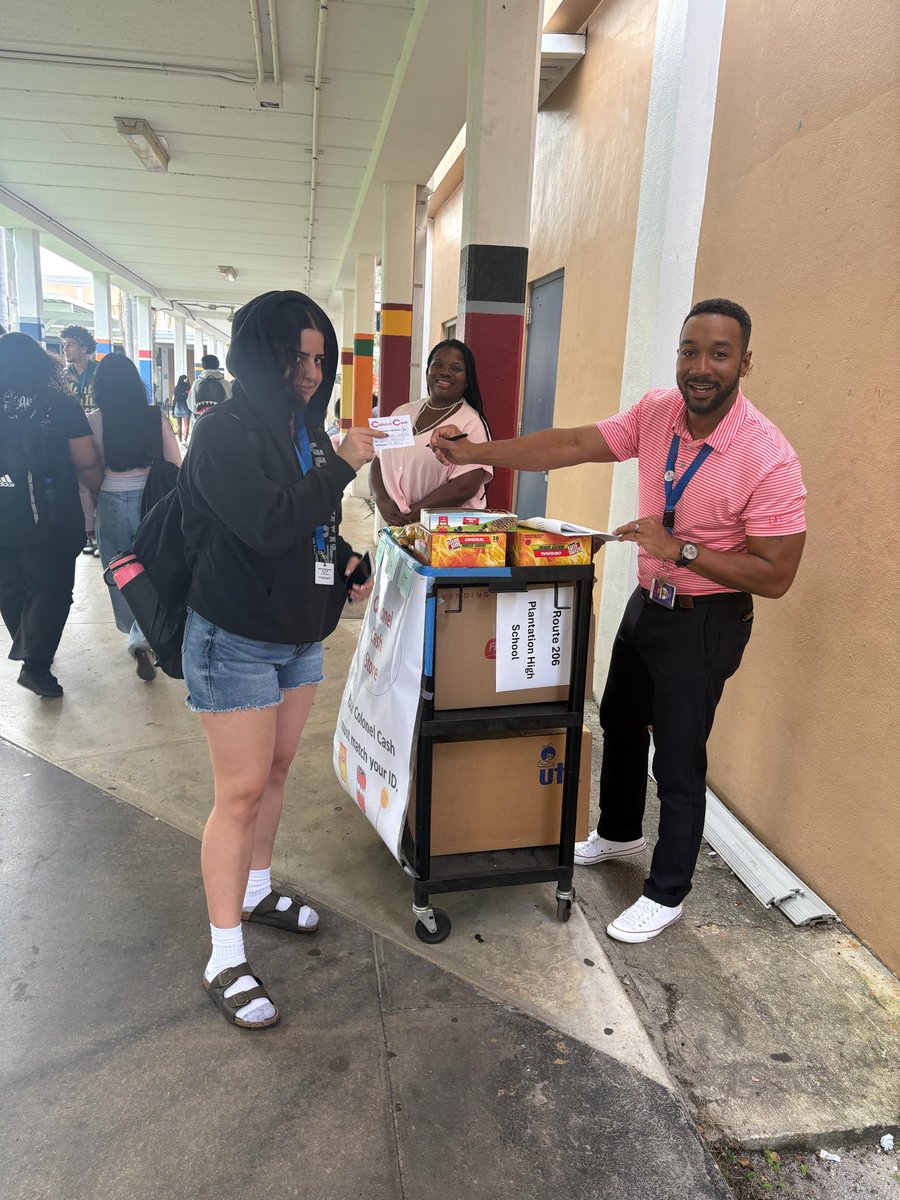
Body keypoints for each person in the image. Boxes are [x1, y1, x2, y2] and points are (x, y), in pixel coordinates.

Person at [433, 299, 807, 943]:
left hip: (705, 619)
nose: (701, 366)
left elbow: (776, 574)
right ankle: (620, 833)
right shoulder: (658, 411)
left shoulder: (769, 456)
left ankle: (667, 893)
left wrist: (681, 549)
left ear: (745, 362)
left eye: (719, 353)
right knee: (620, 722)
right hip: (648, 604)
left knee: (680, 759)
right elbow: (572, 443)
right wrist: (480, 450)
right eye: (691, 350)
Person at [178, 290, 383, 1029]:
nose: (308, 371)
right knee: (237, 793)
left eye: (319, 358)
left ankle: (256, 890)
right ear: (258, 355)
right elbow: (268, 525)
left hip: (297, 635)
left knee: (274, 770)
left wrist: (349, 560)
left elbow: (311, 526)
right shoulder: (223, 432)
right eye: (294, 356)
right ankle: (223, 953)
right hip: (232, 637)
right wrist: (340, 467)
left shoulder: (306, 431)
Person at [0, 332, 103, 697]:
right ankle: (36, 664)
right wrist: (98, 488)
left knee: (9, 586)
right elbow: (86, 460)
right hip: (52, 514)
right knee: (52, 588)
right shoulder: (57, 403)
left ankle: (30, 646)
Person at [88, 354, 182, 681]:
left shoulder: (94, 421)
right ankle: (144, 636)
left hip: (111, 502)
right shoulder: (153, 417)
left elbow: (86, 474)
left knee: (119, 574)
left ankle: (136, 631)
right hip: (151, 502)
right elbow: (176, 463)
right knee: (152, 570)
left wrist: (88, 519)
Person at [369, 339, 493, 527]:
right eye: (438, 364)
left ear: (467, 380)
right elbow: (378, 461)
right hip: (399, 528)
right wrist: (381, 499)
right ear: (427, 371)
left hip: (444, 535)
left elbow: (464, 488)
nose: (445, 372)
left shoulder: (471, 423)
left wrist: (410, 515)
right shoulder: (401, 412)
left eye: (456, 368)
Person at [61, 325, 100, 556]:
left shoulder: (99, 371)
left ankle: (100, 529)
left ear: (84, 348)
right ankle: (90, 534)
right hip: (73, 434)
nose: (66, 349)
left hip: (96, 431)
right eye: (64, 344)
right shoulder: (63, 376)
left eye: (71, 344)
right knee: (81, 486)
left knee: (98, 482)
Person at [188, 353, 232, 419]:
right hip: (223, 421)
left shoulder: (196, 383)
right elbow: (231, 404)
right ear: (218, 365)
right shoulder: (226, 384)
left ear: (202, 365)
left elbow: (191, 404)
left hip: (201, 421)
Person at [171, 374, 192, 444]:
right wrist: (189, 383)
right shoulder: (187, 387)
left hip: (177, 406)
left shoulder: (176, 388)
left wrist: (173, 409)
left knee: (179, 425)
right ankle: (185, 440)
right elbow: (190, 395)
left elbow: (174, 399)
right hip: (185, 406)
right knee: (186, 425)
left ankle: (179, 441)